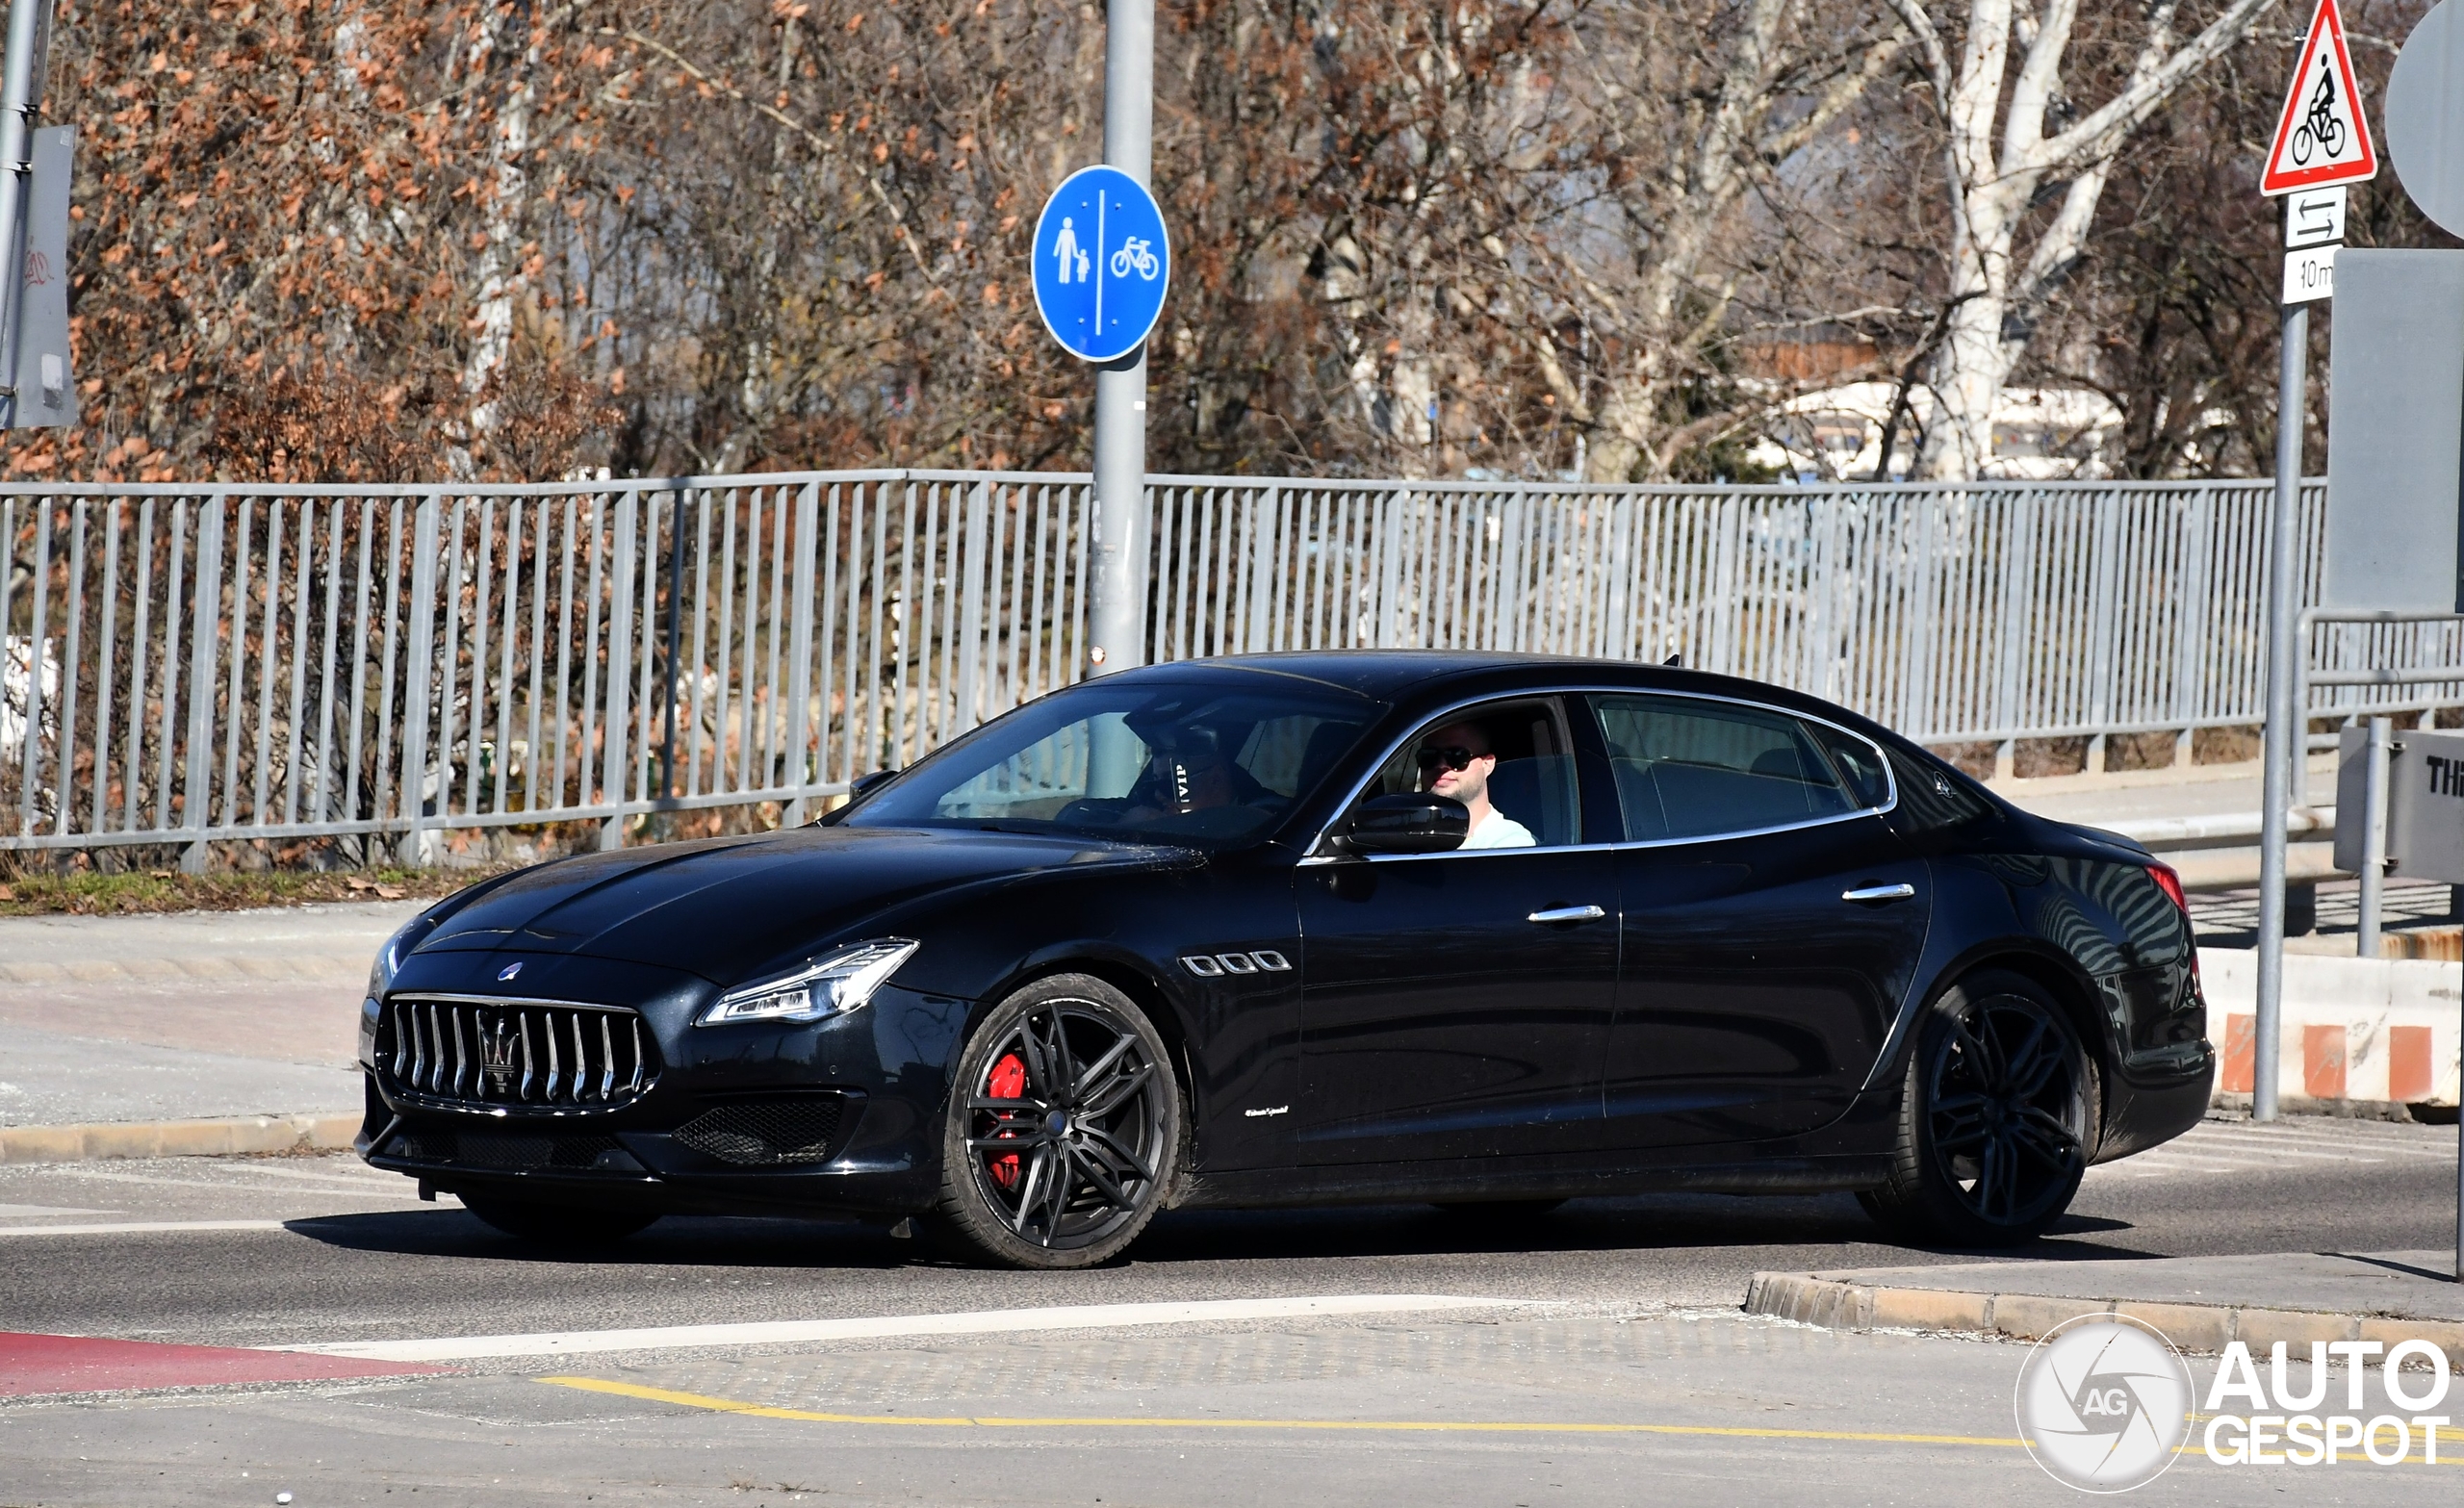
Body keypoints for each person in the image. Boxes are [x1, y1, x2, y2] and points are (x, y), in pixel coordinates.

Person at [1418, 721, 1533, 849]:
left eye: (1457, 756)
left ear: (1487, 764)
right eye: (1429, 756)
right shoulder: (1408, 835)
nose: (1441, 765)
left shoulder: (1510, 844)